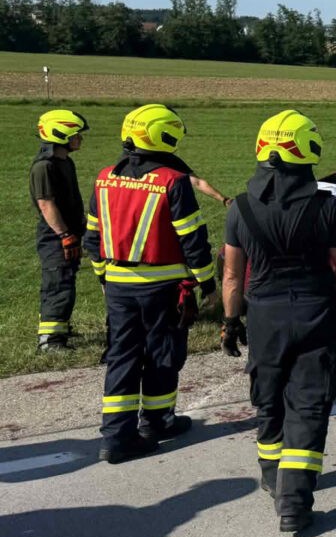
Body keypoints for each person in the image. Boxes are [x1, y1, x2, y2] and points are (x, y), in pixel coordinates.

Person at [220, 109, 336, 535]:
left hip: (264, 315)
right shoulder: (326, 208)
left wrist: (231, 322)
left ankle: (271, 476)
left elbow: (232, 275)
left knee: (268, 398)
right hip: (315, 313)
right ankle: (295, 503)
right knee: (308, 405)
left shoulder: (240, 208)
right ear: (305, 152)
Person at [84, 104, 215, 463]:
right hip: (163, 287)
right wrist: (207, 282)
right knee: (162, 354)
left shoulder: (105, 177)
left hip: (118, 286)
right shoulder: (172, 181)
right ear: (164, 137)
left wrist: (102, 275)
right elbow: (192, 237)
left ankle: (116, 437)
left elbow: (92, 237)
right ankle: (157, 422)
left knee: (122, 357)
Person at [31, 109, 90, 352]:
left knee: (66, 281)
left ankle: (60, 328)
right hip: (55, 236)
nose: (80, 139)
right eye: (77, 134)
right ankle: (50, 341)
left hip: (69, 231)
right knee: (57, 283)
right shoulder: (44, 166)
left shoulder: (64, 161)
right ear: (60, 134)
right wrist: (64, 235)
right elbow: (46, 203)